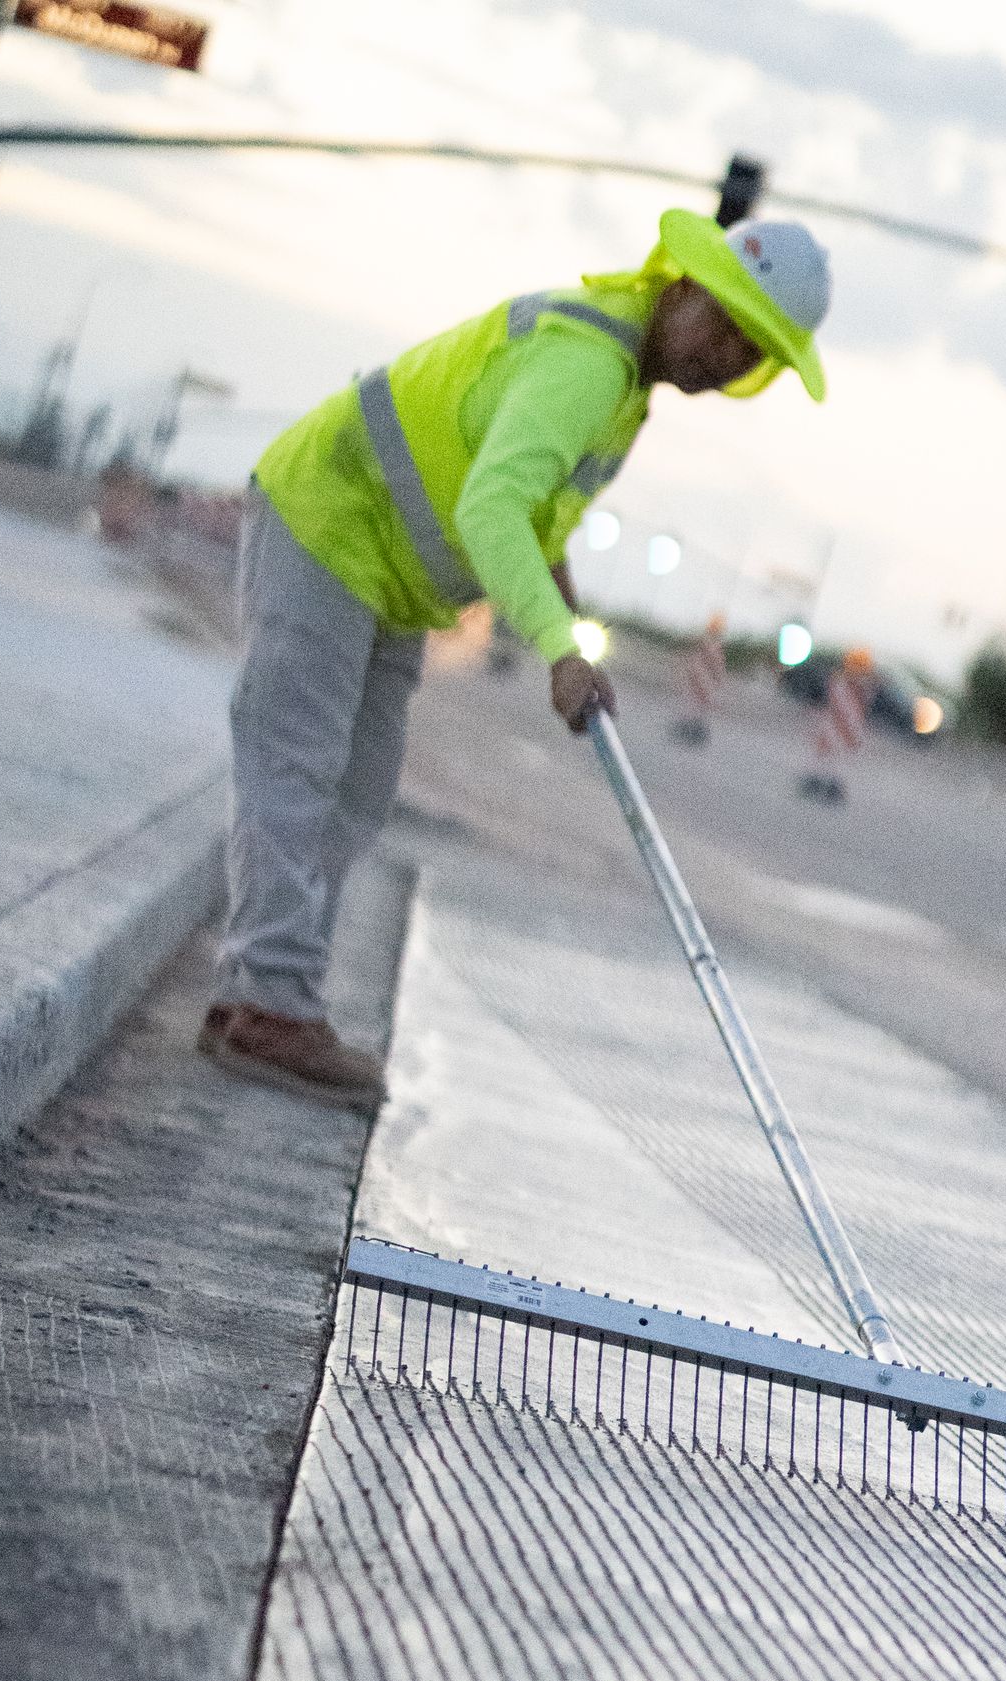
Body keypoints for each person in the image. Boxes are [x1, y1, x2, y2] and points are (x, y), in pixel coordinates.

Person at [200, 209, 831, 1108]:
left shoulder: (623, 392)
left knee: (358, 783)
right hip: (329, 519)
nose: (726, 354)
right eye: (725, 322)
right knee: (298, 768)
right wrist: (553, 648)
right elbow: (493, 511)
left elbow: (539, 525)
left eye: (752, 348)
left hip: (385, 567)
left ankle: (259, 997)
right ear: (684, 286)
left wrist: (569, 636)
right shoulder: (587, 363)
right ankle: (270, 1008)